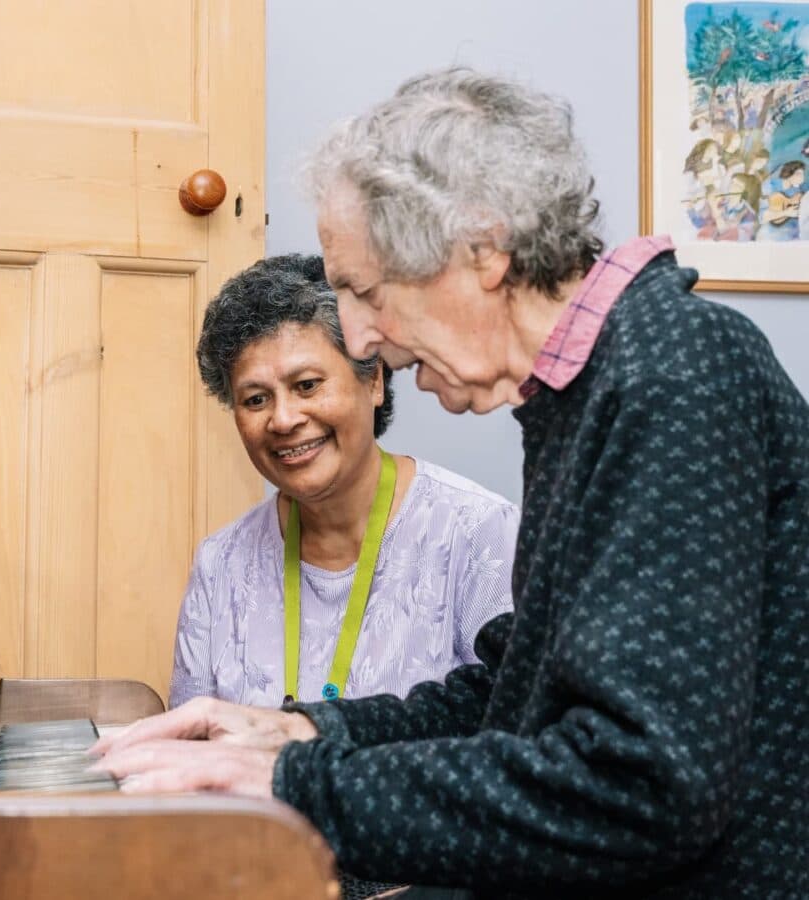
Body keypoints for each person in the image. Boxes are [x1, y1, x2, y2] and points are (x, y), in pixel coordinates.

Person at [92, 68, 809, 898]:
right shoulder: (589, 392)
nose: (359, 339)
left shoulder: (671, 374)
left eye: (363, 292)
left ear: (485, 248)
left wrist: (297, 788)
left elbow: (643, 784)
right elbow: (513, 693)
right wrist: (298, 733)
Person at [169, 253, 517, 709]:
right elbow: (191, 750)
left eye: (307, 385)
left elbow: (514, 732)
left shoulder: (481, 534)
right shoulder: (221, 566)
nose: (284, 419)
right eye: (255, 399)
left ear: (373, 381)